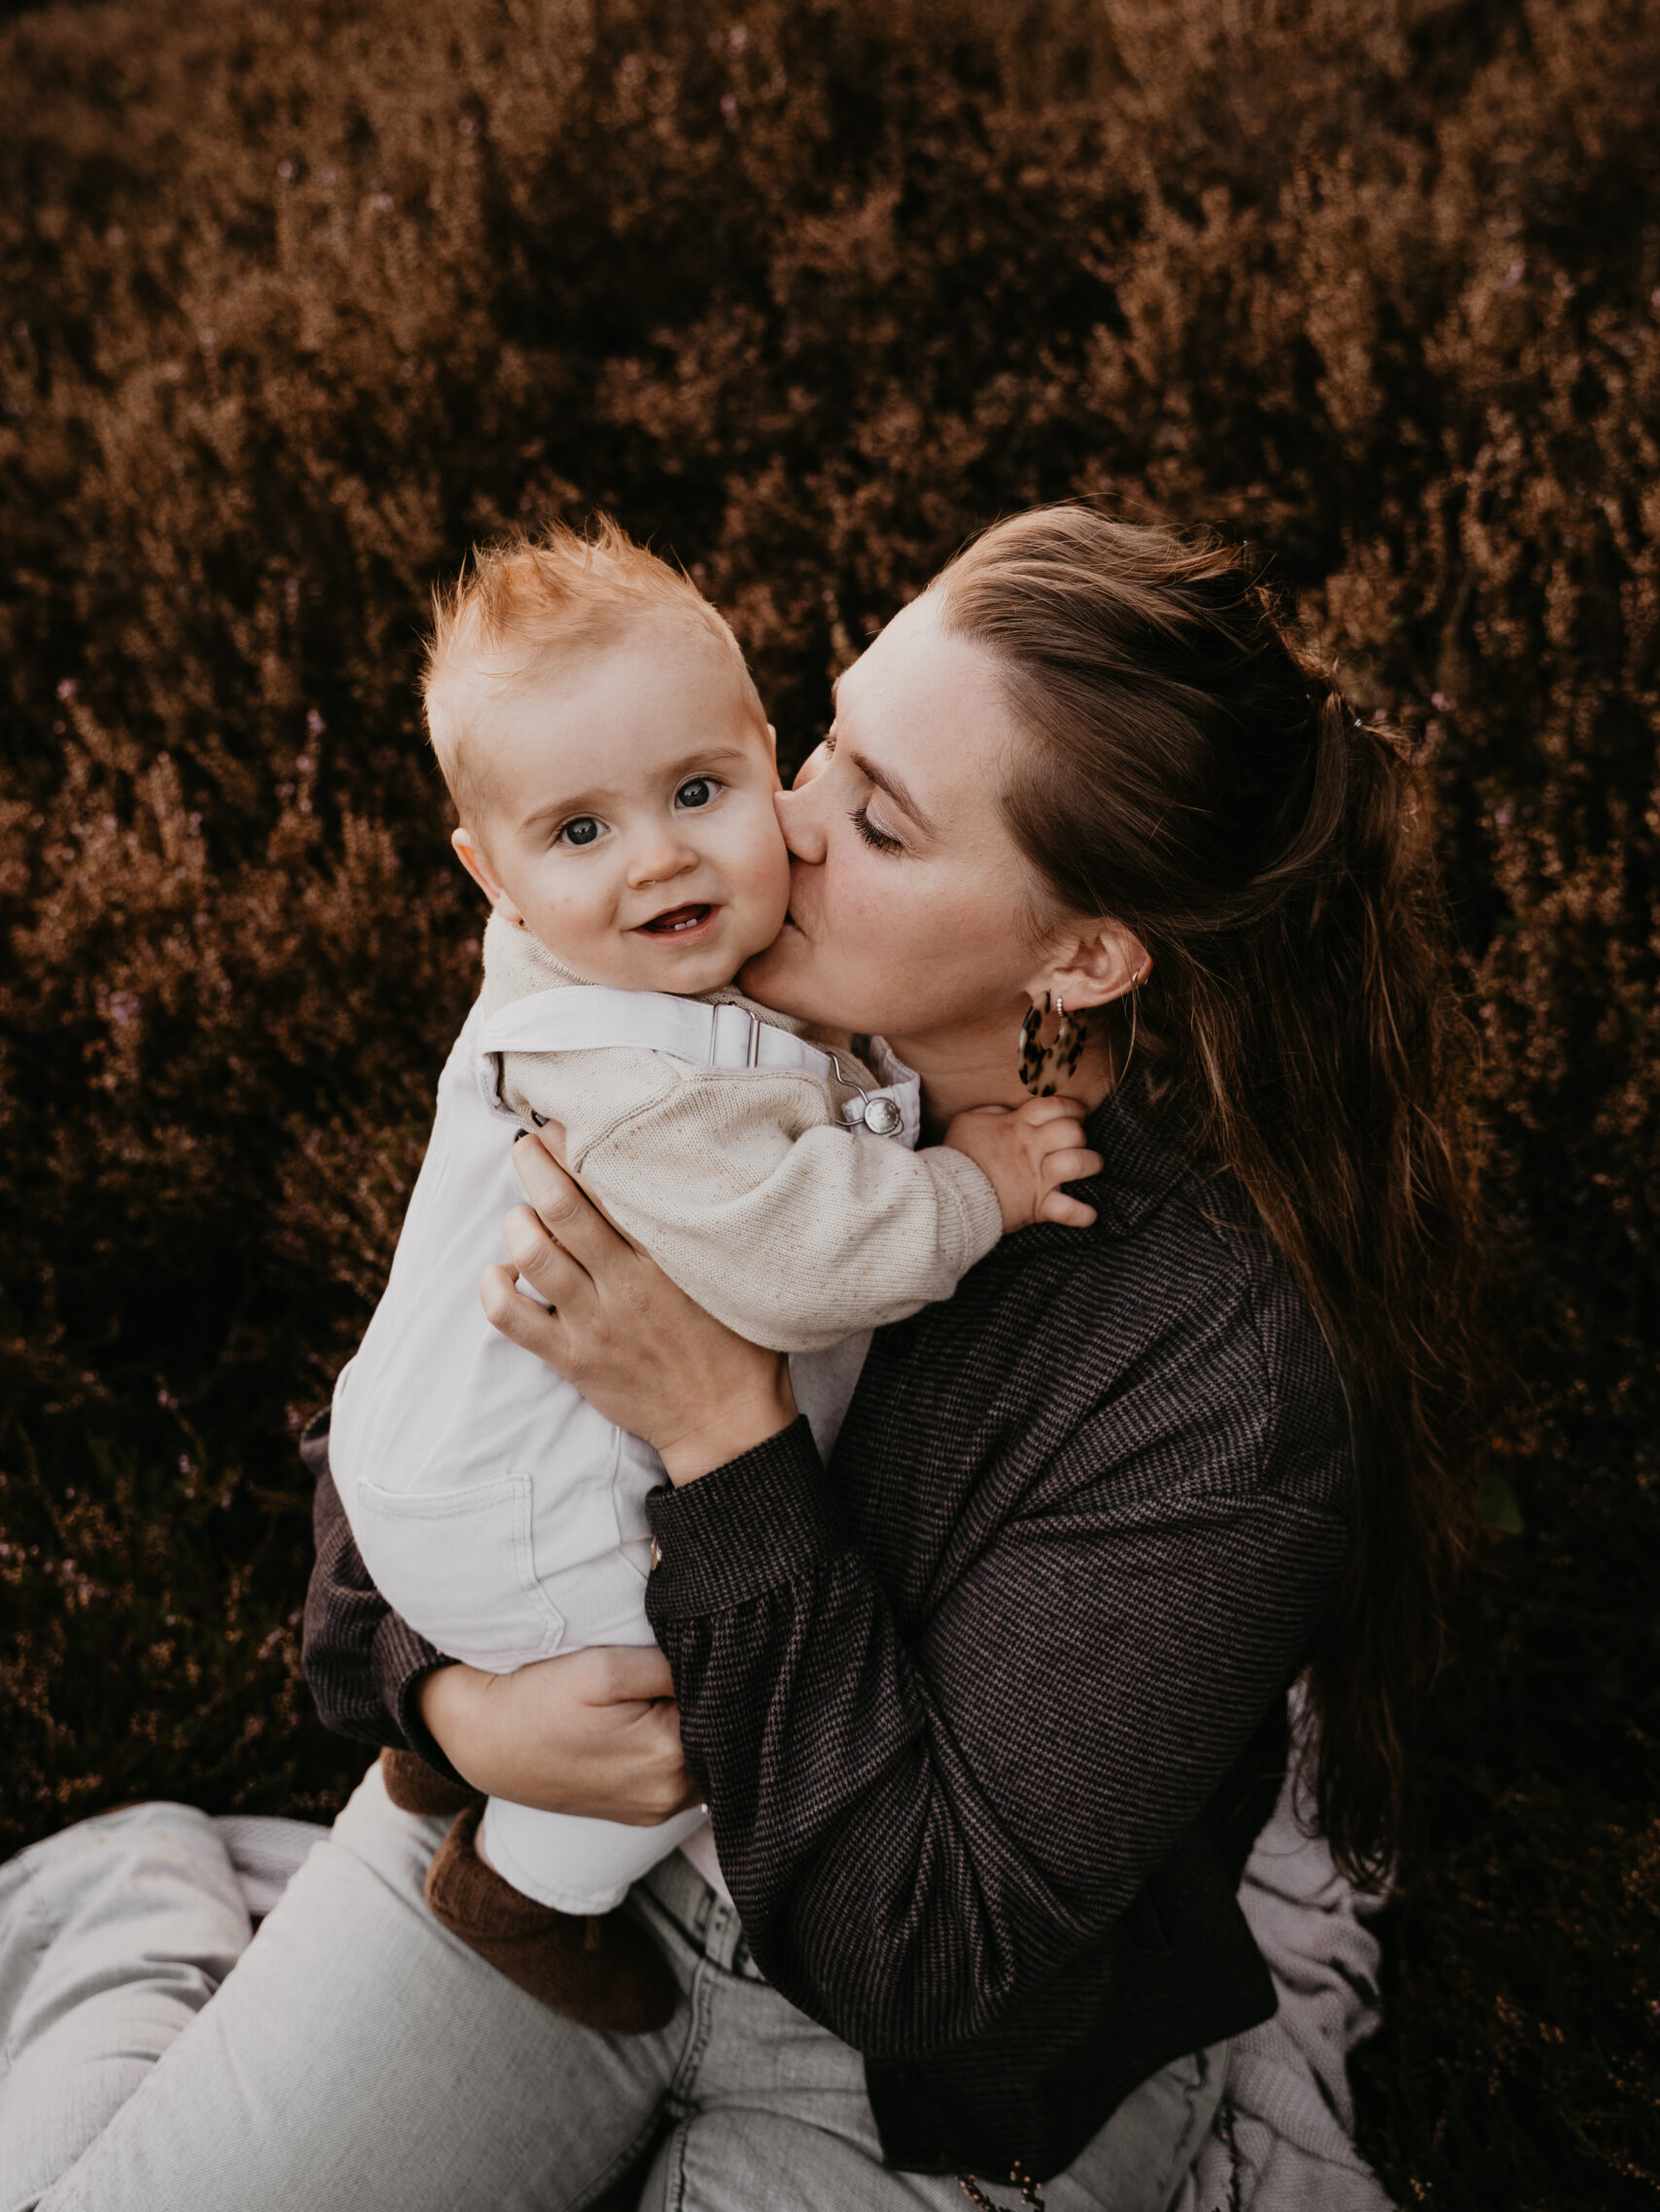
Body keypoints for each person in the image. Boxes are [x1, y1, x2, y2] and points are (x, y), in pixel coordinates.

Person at [0, 508, 1484, 2212]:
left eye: (881, 819)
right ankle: (137, 1921)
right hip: (550, 1848)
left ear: (1080, 956)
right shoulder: (680, 1016)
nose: (779, 820)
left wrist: (720, 1433)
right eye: (827, 742)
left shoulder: (1213, 1379)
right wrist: (452, 1701)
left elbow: (924, 1955)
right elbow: (417, 1435)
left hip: (921, 2066)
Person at [331, 516, 1093, 2025]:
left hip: (436, 1457)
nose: (662, 857)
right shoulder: (644, 1080)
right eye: (580, 832)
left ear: (756, 752)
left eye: (698, 791)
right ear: (492, 875)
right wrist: (981, 1186)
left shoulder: (611, 976)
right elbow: (810, 1257)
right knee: (686, 1695)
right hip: (507, 1511)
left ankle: (442, 1743)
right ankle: (528, 1886)